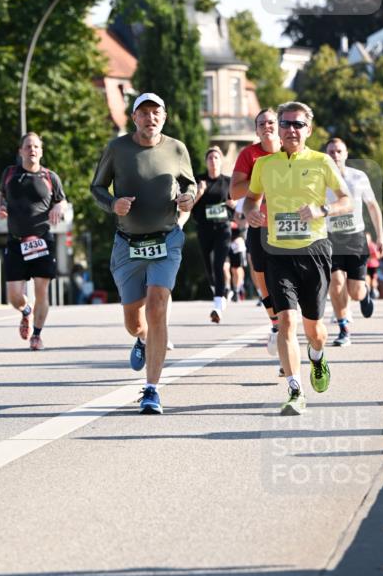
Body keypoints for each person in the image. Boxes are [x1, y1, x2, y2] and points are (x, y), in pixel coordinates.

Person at [91, 92, 196, 414]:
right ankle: (142, 339)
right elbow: (96, 187)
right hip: (128, 243)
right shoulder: (117, 148)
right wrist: (112, 204)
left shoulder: (176, 148)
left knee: (157, 304)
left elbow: (190, 184)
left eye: (156, 113)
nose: (150, 118)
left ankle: (151, 389)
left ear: (163, 117)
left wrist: (188, 198)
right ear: (134, 117)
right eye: (144, 113)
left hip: (166, 239)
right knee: (135, 322)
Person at [243, 101, 351, 415]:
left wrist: (322, 209)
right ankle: (295, 390)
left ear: (309, 129)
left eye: (297, 124)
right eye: (285, 124)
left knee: (314, 330)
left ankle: (317, 356)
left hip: (314, 252)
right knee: (286, 321)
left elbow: (346, 200)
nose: (291, 130)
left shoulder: (321, 162)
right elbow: (251, 198)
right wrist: (251, 213)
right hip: (277, 251)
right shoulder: (265, 165)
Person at [0, 131, 67, 350]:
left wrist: (57, 206)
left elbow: (62, 201)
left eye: (36, 147)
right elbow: (0, 195)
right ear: (21, 151)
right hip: (16, 242)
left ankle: (37, 335)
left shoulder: (49, 176)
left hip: (42, 241)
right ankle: (26, 311)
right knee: (14, 295)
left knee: (41, 291)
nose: (32, 150)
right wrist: (0, 206)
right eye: (28, 146)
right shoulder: (10, 173)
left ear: (41, 151)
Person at [323, 138, 383, 346]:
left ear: (346, 153)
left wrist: (380, 237)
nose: (335, 155)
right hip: (331, 238)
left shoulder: (358, 177)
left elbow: (373, 206)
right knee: (336, 282)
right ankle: (344, 329)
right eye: (331, 151)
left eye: (339, 151)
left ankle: (365, 293)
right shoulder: (319, 179)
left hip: (355, 237)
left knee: (355, 291)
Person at [231, 108, 282, 354]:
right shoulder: (250, 154)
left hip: (290, 229)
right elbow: (234, 192)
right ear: (256, 130)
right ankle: (275, 323)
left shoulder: (292, 150)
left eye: (271, 122)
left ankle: (285, 328)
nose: (267, 126)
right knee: (261, 278)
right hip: (259, 225)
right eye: (261, 123)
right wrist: (261, 178)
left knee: (287, 282)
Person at [191, 145, 235, 322]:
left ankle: (217, 305)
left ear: (221, 161)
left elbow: (235, 202)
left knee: (218, 264)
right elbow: (188, 206)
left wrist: (234, 206)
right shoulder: (198, 180)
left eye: (216, 157)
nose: (213, 161)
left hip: (223, 228)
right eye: (210, 158)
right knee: (209, 267)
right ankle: (221, 292)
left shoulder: (228, 181)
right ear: (206, 162)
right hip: (204, 227)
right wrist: (199, 193)